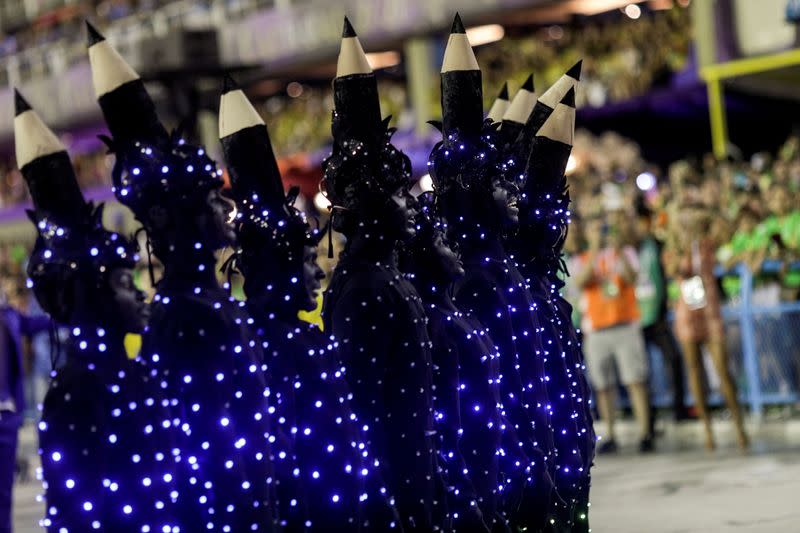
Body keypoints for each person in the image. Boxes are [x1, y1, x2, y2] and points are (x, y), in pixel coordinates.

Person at [87, 23, 279, 530]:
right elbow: (197, 456)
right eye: (214, 197)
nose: (225, 205)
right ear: (182, 217)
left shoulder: (203, 301)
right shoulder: (183, 313)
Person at [219, 79, 400, 530]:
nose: (318, 270)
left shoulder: (301, 337)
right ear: (273, 269)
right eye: (304, 259)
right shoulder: (255, 348)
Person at [15, 90, 178, 532]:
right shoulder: (76, 390)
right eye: (126, 284)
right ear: (94, 296)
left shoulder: (130, 369)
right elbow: (78, 511)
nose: (140, 294)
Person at [321, 18, 455, 531]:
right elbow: (360, 413)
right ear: (373, 204)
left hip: (419, 479)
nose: (410, 204)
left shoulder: (384, 276)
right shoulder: (363, 289)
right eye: (400, 194)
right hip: (398, 493)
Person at [431, 14, 555, 531]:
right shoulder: (473, 283)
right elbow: (481, 407)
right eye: (502, 185)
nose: (514, 196)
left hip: (532, 469)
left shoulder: (507, 273)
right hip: (504, 483)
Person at [663, 202, 748, 451]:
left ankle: (739, 426)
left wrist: (703, 217)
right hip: (687, 312)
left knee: (723, 368)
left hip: (709, 309)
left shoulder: (708, 243)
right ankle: (707, 429)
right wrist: (682, 243)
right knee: (694, 369)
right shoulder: (673, 249)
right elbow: (673, 269)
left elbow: (726, 227)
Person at [574, 215, 653, 453]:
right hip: (597, 329)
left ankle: (645, 432)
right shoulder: (583, 258)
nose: (601, 234)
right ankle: (611, 433)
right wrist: (596, 249)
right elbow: (580, 281)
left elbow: (632, 278)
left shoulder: (626, 252)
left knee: (635, 381)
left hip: (625, 324)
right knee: (603, 385)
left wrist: (617, 251)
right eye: (596, 230)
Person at [634, 200, 688, 423]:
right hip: (635, 316)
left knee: (673, 358)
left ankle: (679, 409)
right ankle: (649, 418)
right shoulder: (631, 247)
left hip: (655, 315)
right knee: (641, 371)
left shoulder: (656, 244)